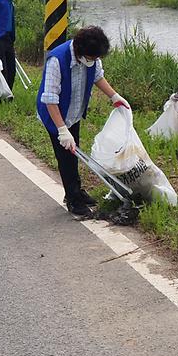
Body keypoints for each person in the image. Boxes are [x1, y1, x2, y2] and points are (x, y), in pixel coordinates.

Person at [36, 26, 131, 217]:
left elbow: (98, 77)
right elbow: (50, 99)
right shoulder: (58, 59)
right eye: (92, 58)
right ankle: (73, 200)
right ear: (80, 51)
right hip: (56, 116)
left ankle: (76, 191)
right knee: (66, 157)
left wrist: (114, 97)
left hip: (74, 113)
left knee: (74, 151)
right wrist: (62, 130)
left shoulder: (91, 58)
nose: (94, 61)